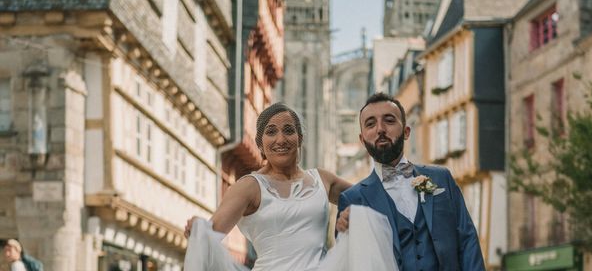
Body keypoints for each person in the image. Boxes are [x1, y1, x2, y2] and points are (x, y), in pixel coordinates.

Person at [184, 102, 355, 271]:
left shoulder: (323, 179)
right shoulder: (248, 187)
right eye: (271, 132)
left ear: (299, 139)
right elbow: (207, 238)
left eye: (288, 130)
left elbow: (368, 199)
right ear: (260, 144)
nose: (281, 139)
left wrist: (349, 216)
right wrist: (198, 228)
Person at [336, 92, 486, 271]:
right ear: (362, 139)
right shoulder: (352, 199)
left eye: (389, 120)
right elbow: (347, 262)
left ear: (406, 131)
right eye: (370, 124)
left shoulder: (442, 178)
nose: (380, 129)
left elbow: (467, 240)